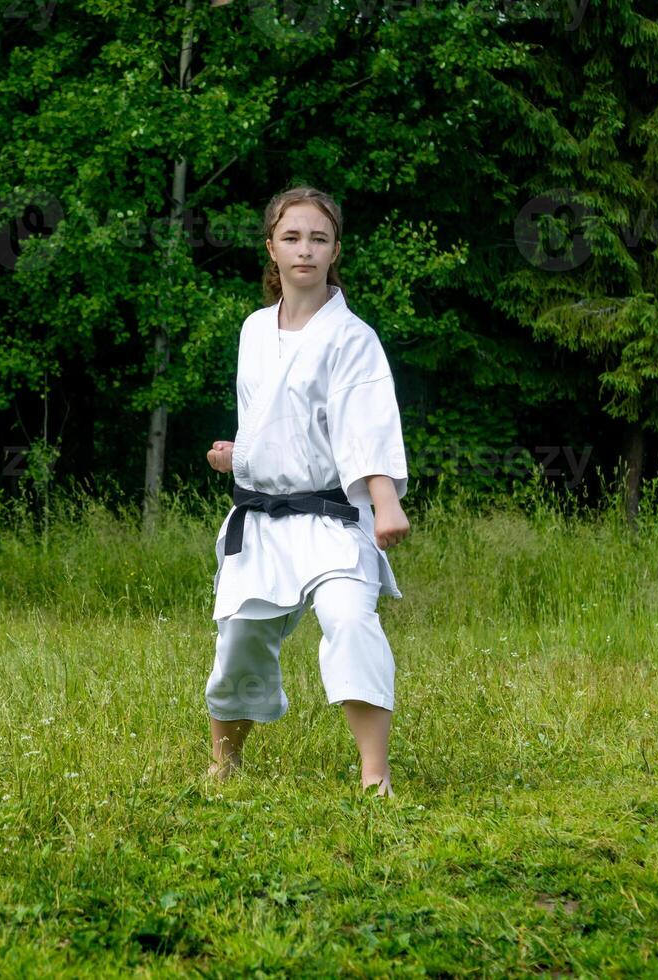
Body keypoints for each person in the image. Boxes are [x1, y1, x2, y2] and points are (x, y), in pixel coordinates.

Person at [203, 185, 411, 797]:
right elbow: (273, 423)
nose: (305, 249)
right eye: (291, 237)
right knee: (240, 640)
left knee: (350, 621)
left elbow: (363, 422)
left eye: (318, 238)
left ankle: (376, 777)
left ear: (335, 250)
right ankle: (224, 763)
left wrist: (385, 499)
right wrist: (238, 456)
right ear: (271, 247)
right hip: (262, 521)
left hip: (332, 518)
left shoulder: (353, 338)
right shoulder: (252, 330)